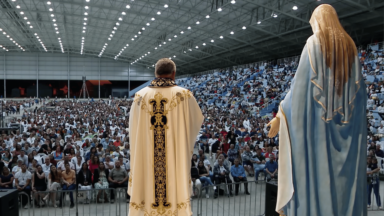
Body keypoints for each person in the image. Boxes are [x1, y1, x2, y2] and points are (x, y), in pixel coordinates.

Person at [267, 4, 367, 215]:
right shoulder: (351, 47)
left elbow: (299, 90)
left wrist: (280, 114)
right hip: (348, 130)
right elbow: (359, 97)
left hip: (319, 133)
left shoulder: (314, 44)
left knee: (317, 182)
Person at [128, 58, 204, 216]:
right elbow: (197, 121)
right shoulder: (184, 95)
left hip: (147, 161)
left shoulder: (140, 96)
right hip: (173, 162)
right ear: (174, 74)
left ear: (155, 73)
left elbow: (134, 131)